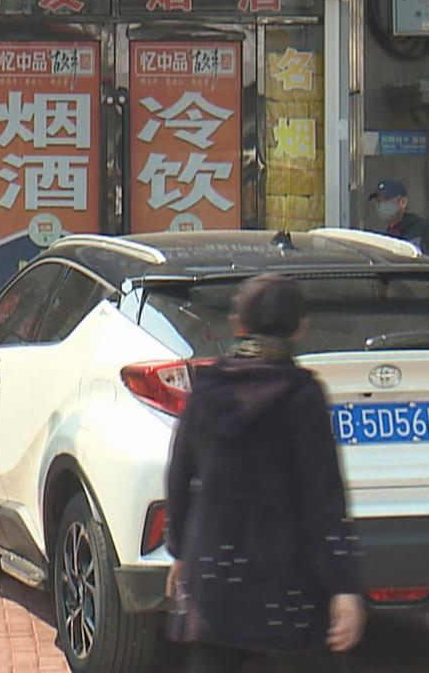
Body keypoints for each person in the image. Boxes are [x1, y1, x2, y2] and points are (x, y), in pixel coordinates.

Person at [164, 273, 365, 673]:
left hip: (215, 582)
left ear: (238, 325)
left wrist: (181, 551)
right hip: (288, 590)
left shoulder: (207, 390)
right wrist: (343, 586)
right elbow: (323, 500)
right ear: (300, 328)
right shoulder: (303, 396)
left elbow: (179, 475)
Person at [367, 179, 429, 263]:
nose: (382, 206)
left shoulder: (425, 230)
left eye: (387, 200)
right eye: (379, 201)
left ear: (403, 202)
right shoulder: (385, 238)